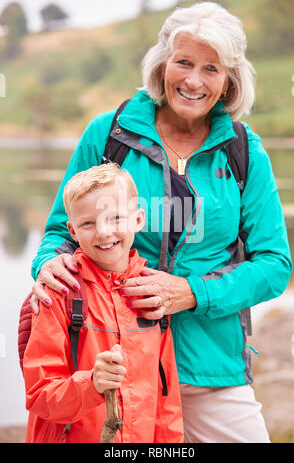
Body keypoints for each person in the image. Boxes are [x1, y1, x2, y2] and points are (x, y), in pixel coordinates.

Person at [29, 2, 292, 443]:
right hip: (115, 359)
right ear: (162, 64)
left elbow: (274, 264)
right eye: (183, 62)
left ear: (230, 79)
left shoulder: (245, 151)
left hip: (210, 364)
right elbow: (60, 230)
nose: (193, 80)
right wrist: (47, 264)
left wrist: (192, 293)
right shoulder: (108, 134)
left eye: (211, 68)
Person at [23, 164, 184, 443]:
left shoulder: (150, 294)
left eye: (116, 218)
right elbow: (39, 394)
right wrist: (91, 385)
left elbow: (166, 398)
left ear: (138, 220)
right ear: (72, 231)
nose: (103, 232)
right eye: (88, 223)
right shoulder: (60, 293)